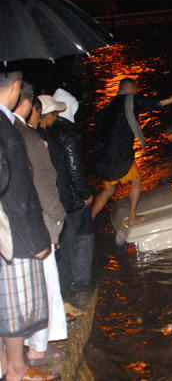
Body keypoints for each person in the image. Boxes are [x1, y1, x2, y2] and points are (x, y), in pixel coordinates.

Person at [0, 71, 59, 381]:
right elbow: (18, 189)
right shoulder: (6, 129)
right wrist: (38, 238)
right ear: (13, 88)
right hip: (12, 233)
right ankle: (17, 371)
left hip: (8, 228)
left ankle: (9, 368)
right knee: (15, 310)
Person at [13, 83, 68, 366]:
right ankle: (37, 347)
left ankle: (21, 345)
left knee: (16, 291)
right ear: (30, 106)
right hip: (37, 225)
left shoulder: (8, 132)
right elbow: (47, 186)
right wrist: (57, 220)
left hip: (12, 227)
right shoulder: (29, 138)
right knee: (44, 286)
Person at [92, 78, 172, 224]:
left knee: (108, 191)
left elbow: (99, 120)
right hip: (120, 154)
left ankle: (88, 220)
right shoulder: (132, 99)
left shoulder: (111, 103)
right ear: (132, 89)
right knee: (136, 179)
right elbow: (156, 102)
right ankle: (132, 217)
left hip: (104, 154)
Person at [39, 92, 94, 302]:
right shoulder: (67, 133)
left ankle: (67, 286)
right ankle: (80, 284)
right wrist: (85, 194)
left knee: (66, 240)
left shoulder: (43, 132)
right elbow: (74, 169)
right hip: (70, 197)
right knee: (83, 236)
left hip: (55, 198)